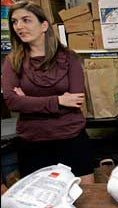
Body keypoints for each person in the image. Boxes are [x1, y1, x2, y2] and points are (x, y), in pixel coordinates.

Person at [1, 1, 95, 184]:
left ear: (44, 25)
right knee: (40, 198)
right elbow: (12, 102)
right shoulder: (12, 62)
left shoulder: (70, 58)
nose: (19, 26)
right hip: (33, 142)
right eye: (14, 22)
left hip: (71, 138)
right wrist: (59, 100)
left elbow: (75, 101)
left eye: (26, 20)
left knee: (83, 197)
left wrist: (28, 100)